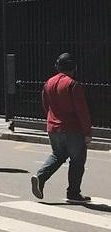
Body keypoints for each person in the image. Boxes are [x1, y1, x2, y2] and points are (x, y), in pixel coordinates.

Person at [31, 53, 92, 204]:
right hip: (72, 128)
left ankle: (41, 177)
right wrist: (87, 131)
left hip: (53, 127)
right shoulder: (73, 85)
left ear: (58, 66)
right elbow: (82, 110)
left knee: (58, 155)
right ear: (74, 67)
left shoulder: (48, 83)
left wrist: (52, 119)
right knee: (77, 161)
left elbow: (46, 106)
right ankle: (73, 193)